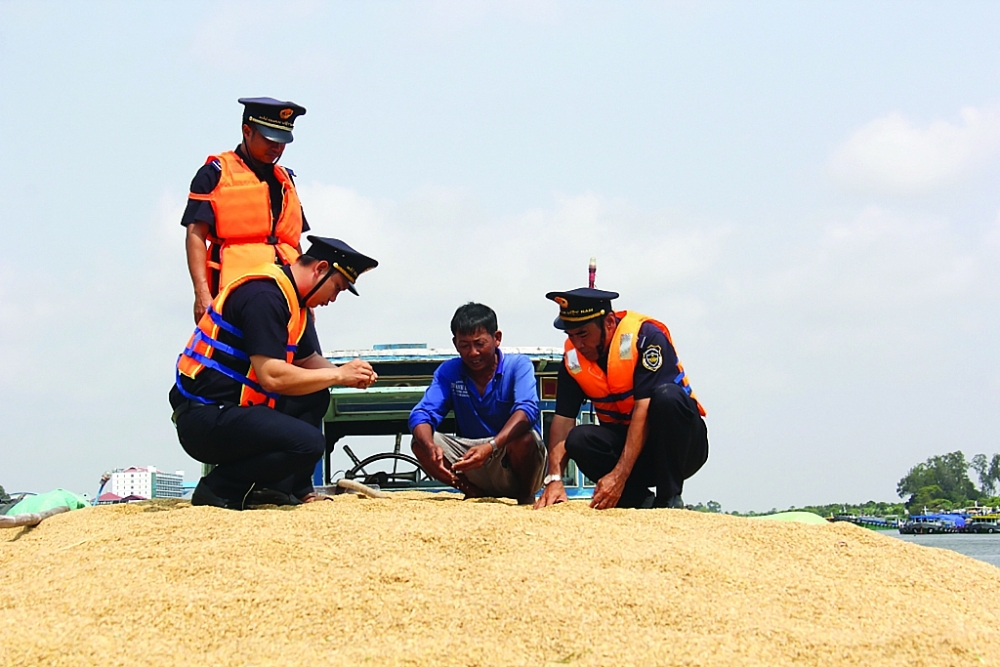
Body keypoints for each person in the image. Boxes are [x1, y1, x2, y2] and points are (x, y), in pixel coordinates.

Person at [169, 236, 379, 510]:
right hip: (205, 416)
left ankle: (279, 489)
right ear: (320, 268)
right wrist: (339, 376)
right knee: (309, 443)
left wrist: (348, 374)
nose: (333, 298)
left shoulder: (296, 303)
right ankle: (220, 488)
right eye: (336, 287)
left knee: (315, 397)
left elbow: (307, 360)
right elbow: (272, 376)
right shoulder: (264, 295)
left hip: (237, 412)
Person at [534, 288, 708, 510]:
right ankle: (638, 501)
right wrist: (554, 479)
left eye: (583, 334)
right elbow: (562, 420)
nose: (577, 344)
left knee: (667, 397)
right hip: (631, 451)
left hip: (681, 448)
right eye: (571, 336)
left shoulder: (647, 338)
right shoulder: (573, 360)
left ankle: (669, 499)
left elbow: (643, 410)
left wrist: (618, 476)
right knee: (578, 439)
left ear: (608, 323)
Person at [180, 97, 310, 323]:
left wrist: (307, 299)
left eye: (282, 141)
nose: (277, 147)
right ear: (247, 131)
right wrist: (201, 292)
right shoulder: (214, 173)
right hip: (235, 292)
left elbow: (293, 241)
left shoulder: (286, 180)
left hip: (286, 294)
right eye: (269, 139)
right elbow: (195, 235)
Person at [408, 303, 546, 504]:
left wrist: (491, 447)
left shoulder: (518, 365)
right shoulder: (449, 372)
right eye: (464, 345)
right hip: (470, 460)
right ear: (455, 343)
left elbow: (527, 410)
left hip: (507, 453)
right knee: (419, 442)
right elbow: (421, 414)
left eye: (479, 344)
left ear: (496, 338)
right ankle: (471, 490)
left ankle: (524, 496)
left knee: (524, 439)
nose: (473, 352)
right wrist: (430, 446)